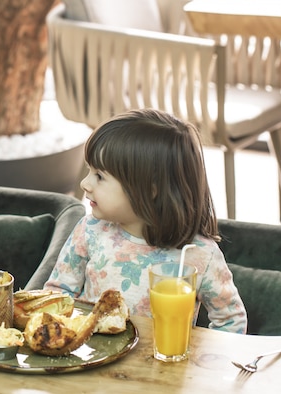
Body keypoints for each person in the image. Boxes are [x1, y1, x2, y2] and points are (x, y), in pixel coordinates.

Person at [44, 109, 248, 334]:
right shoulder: (89, 230)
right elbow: (58, 295)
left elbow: (231, 320)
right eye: (89, 171)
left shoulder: (200, 254)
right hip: (92, 360)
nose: (85, 183)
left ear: (151, 190)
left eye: (100, 176)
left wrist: (205, 363)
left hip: (164, 366)